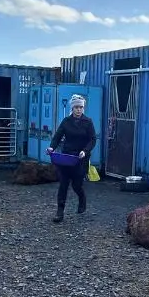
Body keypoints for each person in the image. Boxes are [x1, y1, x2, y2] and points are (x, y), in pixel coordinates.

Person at [47, 94, 97, 223]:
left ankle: (82, 199)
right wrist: (52, 147)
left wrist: (85, 151)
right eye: (76, 107)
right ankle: (60, 212)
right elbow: (57, 136)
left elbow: (93, 139)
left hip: (81, 157)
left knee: (76, 185)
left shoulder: (88, 122)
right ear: (72, 108)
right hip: (67, 157)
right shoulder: (66, 121)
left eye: (81, 107)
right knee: (63, 184)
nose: (79, 110)